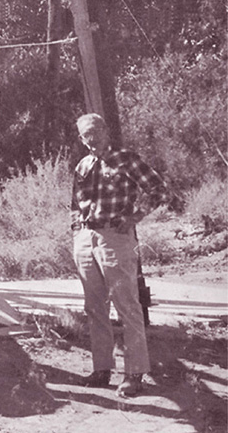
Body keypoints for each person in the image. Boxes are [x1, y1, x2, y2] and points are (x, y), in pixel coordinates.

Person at [70, 113, 170, 397]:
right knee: (94, 308)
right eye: (86, 135)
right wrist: (77, 230)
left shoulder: (127, 159)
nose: (92, 140)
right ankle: (102, 369)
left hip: (115, 237)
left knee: (127, 305)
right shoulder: (83, 164)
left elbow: (158, 190)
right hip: (86, 238)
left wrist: (134, 217)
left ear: (106, 131)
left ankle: (134, 374)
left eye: (95, 132)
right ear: (81, 138)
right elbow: (75, 202)